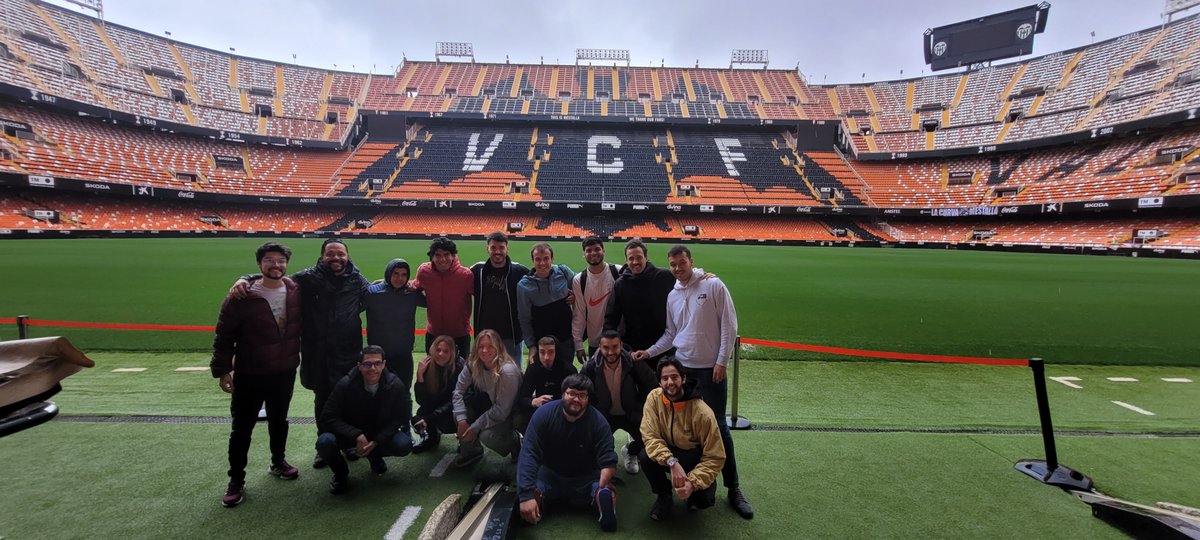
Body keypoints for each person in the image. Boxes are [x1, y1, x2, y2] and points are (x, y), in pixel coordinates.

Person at [633, 245, 753, 519]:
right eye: (673, 264)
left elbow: (729, 325)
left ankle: (733, 488)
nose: (677, 268)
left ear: (691, 261)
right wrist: (648, 352)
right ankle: (677, 483)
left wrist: (722, 361)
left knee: (719, 428)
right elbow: (670, 333)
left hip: (711, 370)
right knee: (685, 425)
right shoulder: (673, 294)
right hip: (683, 368)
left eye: (681, 263)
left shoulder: (713, 285)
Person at [230, 238, 368, 469]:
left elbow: (374, 292)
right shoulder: (307, 278)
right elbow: (274, 279)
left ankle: (346, 442)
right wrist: (245, 278)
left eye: (340, 254)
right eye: (330, 254)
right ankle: (325, 446)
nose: (336, 258)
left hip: (348, 351)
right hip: (318, 353)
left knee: (348, 397)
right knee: (323, 400)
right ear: (322, 256)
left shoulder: (356, 279)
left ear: (348, 256)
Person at [211, 242, 302, 508]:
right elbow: (224, 335)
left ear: (287, 264)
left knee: (279, 420)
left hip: (284, 369)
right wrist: (222, 369)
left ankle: (278, 461)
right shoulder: (241, 295)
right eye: (269, 260)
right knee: (242, 428)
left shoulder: (295, 290)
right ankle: (236, 480)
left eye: (281, 261)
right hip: (250, 372)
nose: (276, 265)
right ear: (259, 264)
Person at [517, 374, 618, 533]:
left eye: (582, 395)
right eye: (572, 393)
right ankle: (535, 499)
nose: (576, 399)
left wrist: (604, 479)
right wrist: (525, 495)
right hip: (550, 472)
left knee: (600, 487)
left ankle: (603, 497)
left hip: (586, 475)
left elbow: (608, 458)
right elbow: (529, 453)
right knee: (534, 487)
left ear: (588, 398)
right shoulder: (544, 414)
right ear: (563, 393)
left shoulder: (599, 422)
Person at [316, 345, 414, 494]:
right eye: (367, 364)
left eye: (377, 363)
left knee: (403, 444)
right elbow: (327, 417)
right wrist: (355, 434)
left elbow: (400, 416)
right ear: (359, 366)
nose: (373, 368)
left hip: (376, 433)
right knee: (324, 442)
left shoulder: (395, 384)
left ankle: (375, 456)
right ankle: (341, 474)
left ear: (384, 365)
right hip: (350, 435)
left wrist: (377, 441)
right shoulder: (345, 385)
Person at [638, 358, 725, 521]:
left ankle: (694, 493)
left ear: (683, 378)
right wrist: (671, 461)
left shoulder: (703, 413)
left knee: (704, 500)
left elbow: (715, 456)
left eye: (674, 377)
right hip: (669, 455)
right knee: (645, 455)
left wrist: (693, 482)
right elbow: (650, 436)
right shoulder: (653, 398)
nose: (670, 382)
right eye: (665, 378)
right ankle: (664, 496)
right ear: (659, 382)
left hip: (693, 457)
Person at [581, 330, 657, 476]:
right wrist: (593, 414)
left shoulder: (635, 364)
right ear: (599, 347)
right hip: (605, 416)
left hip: (632, 414)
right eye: (606, 348)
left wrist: (643, 410)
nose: (610, 352)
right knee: (591, 447)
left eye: (615, 347)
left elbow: (653, 389)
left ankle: (630, 450)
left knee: (650, 441)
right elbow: (582, 393)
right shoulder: (590, 367)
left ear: (621, 345)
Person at [451, 329, 523, 468]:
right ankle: (472, 451)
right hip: (490, 406)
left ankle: (515, 441)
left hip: (511, 412)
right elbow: (457, 392)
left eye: (490, 346)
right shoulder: (473, 363)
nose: (485, 350)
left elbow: (502, 411)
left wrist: (475, 427)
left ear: (499, 348)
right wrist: (461, 420)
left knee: (488, 436)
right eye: (481, 346)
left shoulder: (508, 372)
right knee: (460, 414)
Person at [603, 238, 677, 368]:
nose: (635, 262)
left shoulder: (664, 277)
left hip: (664, 347)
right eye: (631, 258)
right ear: (626, 261)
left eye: (639, 257)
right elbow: (611, 316)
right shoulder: (621, 284)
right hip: (634, 351)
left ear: (646, 258)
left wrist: (702, 275)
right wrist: (607, 342)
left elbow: (686, 279)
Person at [363, 258, 425, 388]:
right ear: (388, 274)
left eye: (404, 275)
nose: (399, 278)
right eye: (395, 273)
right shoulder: (373, 294)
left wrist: (418, 285)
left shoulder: (412, 294)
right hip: (379, 357)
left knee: (403, 392)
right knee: (379, 393)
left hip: (404, 354)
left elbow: (431, 301)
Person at [470, 231, 529, 362]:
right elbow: (457, 275)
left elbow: (540, 280)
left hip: (512, 335)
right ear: (487, 249)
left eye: (501, 247)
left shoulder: (520, 271)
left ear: (507, 249)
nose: (497, 251)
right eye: (493, 248)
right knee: (485, 373)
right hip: (486, 335)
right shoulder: (477, 270)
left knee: (512, 374)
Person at [413, 237, 473, 358]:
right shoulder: (424, 272)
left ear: (453, 256)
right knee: (432, 372)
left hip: (459, 335)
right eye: (438, 255)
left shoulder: (465, 275)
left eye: (447, 254)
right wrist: (385, 282)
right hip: (433, 333)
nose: (443, 259)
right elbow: (412, 285)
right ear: (432, 257)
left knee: (460, 373)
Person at [517, 243, 575, 367]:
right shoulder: (524, 286)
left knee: (565, 376)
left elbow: (581, 291)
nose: (542, 263)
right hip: (541, 343)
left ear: (552, 259)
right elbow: (524, 318)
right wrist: (531, 346)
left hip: (566, 340)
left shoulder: (564, 272)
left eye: (546, 258)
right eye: (538, 259)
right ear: (532, 261)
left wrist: (576, 297)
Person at [411, 335, 465, 454]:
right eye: (438, 350)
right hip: (439, 406)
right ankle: (432, 438)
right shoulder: (428, 365)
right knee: (420, 414)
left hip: (458, 408)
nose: (440, 354)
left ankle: (466, 441)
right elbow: (421, 401)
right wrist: (420, 376)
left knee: (445, 424)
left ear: (452, 352)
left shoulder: (459, 367)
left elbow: (454, 401)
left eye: (446, 351)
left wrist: (430, 417)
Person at [571, 237, 621, 363]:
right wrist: (578, 345)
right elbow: (579, 314)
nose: (593, 253)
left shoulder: (618, 272)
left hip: (619, 340)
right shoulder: (579, 280)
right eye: (589, 250)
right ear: (584, 254)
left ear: (603, 251)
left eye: (597, 249)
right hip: (595, 341)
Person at [515, 336, 578, 432]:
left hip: (563, 410)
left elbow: (576, 398)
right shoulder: (533, 368)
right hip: (541, 408)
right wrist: (534, 401)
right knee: (519, 419)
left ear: (557, 352)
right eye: (542, 352)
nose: (546, 357)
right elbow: (522, 398)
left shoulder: (569, 370)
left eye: (551, 352)